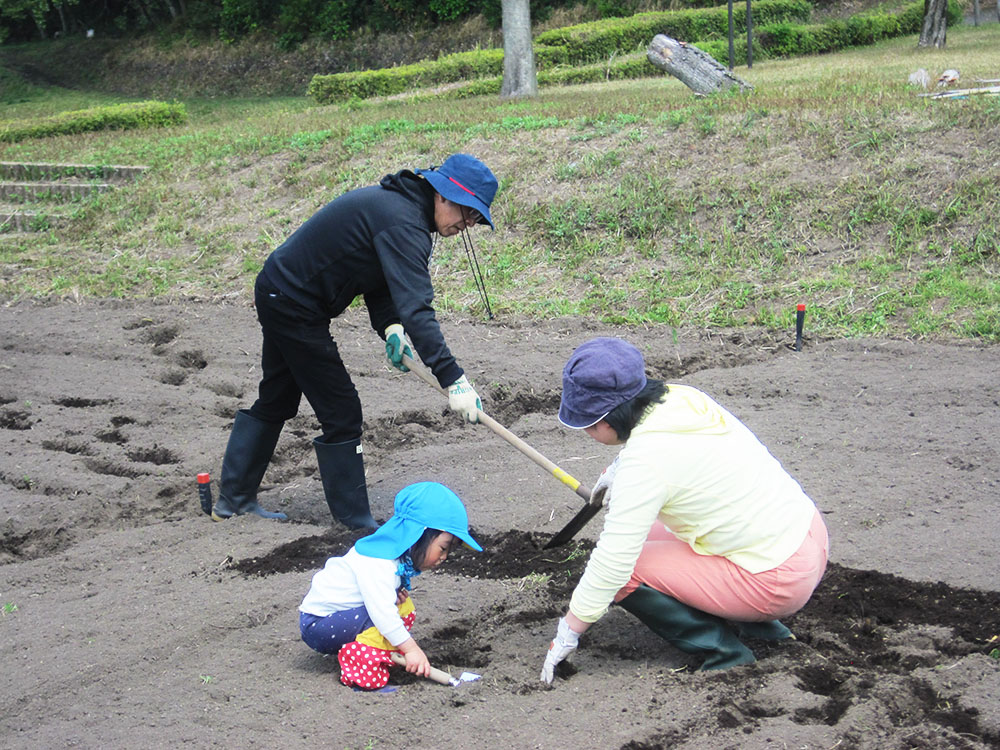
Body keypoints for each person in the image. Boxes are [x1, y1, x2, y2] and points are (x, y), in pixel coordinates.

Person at [210, 154, 497, 528]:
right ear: (444, 194)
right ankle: (355, 523)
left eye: (476, 218)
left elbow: (376, 276)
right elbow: (418, 311)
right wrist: (453, 379)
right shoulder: (403, 222)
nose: (469, 224)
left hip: (281, 290)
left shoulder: (403, 211)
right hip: (294, 303)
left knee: (277, 397)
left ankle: (233, 501)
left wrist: (391, 326)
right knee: (342, 410)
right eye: (469, 213)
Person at [540, 338, 829, 683]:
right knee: (650, 532)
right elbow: (669, 453)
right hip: (805, 535)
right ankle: (764, 630)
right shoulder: (683, 398)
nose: (588, 433)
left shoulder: (645, 463)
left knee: (627, 569)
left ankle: (725, 653)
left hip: (777, 579)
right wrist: (617, 470)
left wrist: (569, 630)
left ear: (610, 418)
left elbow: (612, 564)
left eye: (589, 424)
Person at [298, 481, 482, 690]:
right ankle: (361, 671)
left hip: (340, 618)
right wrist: (411, 649)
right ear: (419, 534)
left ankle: (379, 653)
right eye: (443, 548)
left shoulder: (391, 558)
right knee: (384, 618)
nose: (444, 557)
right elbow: (382, 614)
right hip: (319, 625)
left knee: (403, 607)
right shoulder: (379, 563)